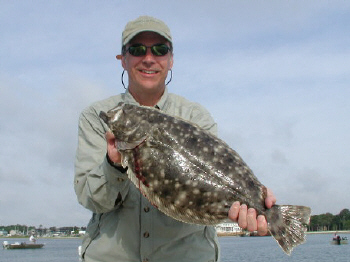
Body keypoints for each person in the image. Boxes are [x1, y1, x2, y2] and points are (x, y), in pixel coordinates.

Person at [74, 15, 276, 262]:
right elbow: (93, 200)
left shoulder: (195, 116)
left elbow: (214, 176)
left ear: (171, 60)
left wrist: (254, 202)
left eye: (160, 50)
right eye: (137, 50)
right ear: (123, 60)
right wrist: (113, 164)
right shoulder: (96, 117)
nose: (149, 58)